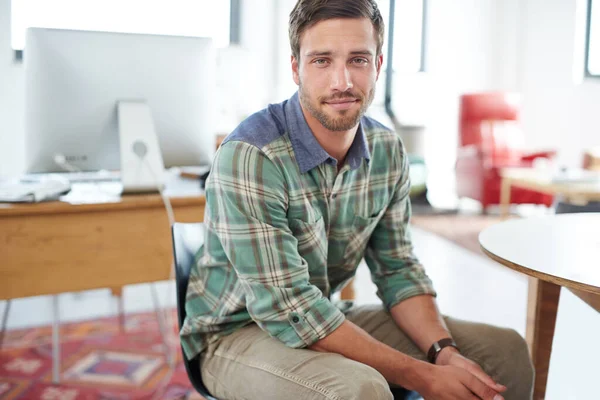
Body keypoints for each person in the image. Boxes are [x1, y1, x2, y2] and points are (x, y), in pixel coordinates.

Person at [181, 0, 534, 398]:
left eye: (358, 60)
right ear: (296, 68)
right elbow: (289, 307)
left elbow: (398, 269)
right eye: (321, 61)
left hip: (322, 314)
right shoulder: (252, 155)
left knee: (504, 352)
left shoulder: (386, 150)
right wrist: (422, 375)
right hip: (234, 334)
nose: (342, 81)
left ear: (378, 65)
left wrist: (443, 352)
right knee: (359, 390)